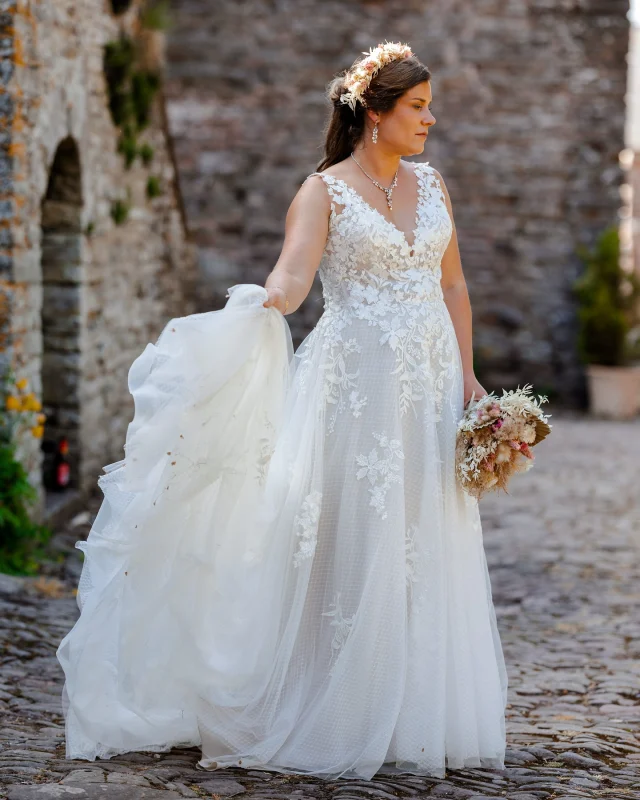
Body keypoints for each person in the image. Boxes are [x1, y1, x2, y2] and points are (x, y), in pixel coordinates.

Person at [56, 41, 508, 782]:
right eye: (419, 107)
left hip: (426, 388)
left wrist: (468, 379)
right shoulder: (323, 191)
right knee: (349, 541)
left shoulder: (434, 188)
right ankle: (329, 704)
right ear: (375, 113)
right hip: (352, 393)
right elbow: (294, 278)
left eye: (430, 107)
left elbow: (452, 286)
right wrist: (266, 301)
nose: (431, 120)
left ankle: (406, 710)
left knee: (423, 538)